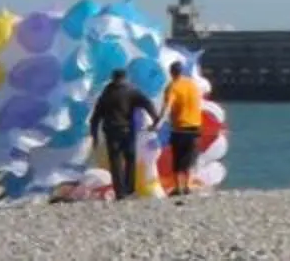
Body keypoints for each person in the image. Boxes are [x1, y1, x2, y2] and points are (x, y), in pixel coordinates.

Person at [88, 70, 160, 200]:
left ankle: (120, 192)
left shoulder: (106, 94)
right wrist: (155, 119)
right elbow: (147, 103)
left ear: (113, 78)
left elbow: (95, 117)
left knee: (115, 162)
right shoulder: (131, 91)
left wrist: (94, 136)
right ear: (125, 78)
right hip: (127, 131)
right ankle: (129, 189)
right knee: (130, 159)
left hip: (111, 132)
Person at [161, 60, 208, 198]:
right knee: (189, 158)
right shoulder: (192, 85)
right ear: (181, 71)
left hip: (180, 128)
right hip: (195, 127)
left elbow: (167, 107)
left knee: (177, 158)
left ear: (171, 72)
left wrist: (157, 124)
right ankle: (187, 186)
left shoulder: (173, 86)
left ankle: (178, 187)